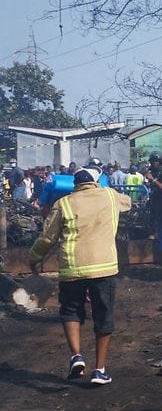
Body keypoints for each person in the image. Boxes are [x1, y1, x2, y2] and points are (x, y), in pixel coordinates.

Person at [28, 163, 132, 385]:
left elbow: (47, 238)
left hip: (72, 268)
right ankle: (100, 370)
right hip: (104, 267)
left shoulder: (63, 203)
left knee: (71, 311)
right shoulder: (111, 197)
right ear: (95, 181)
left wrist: (34, 257)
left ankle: (76, 356)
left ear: (74, 184)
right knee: (103, 315)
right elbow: (129, 203)